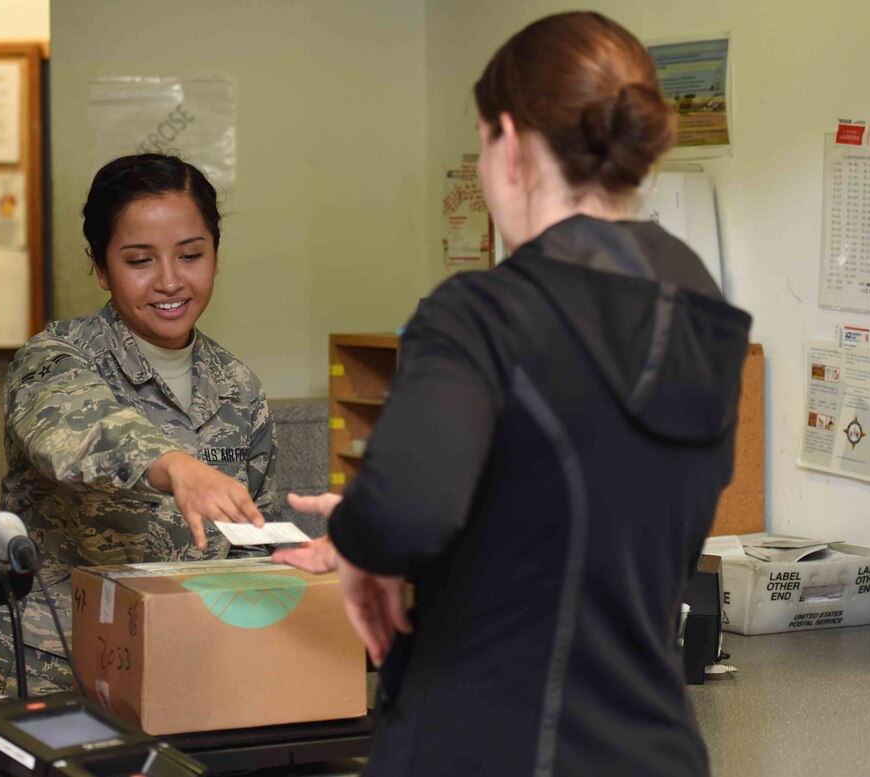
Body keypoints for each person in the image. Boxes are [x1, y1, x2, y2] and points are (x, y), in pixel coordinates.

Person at [273, 12, 751, 776]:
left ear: (507, 141)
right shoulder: (708, 323)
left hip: (491, 746)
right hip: (654, 749)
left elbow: (405, 511)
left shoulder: (481, 313)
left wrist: (364, 537)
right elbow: (579, 515)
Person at [0, 153, 277, 695]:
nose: (170, 281)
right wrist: (173, 466)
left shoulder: (238, 386)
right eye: (139, 260)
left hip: (184, 669)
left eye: (191, 254)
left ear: (215, 257)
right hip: (46, 671)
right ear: (101, 268)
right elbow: (74, 428)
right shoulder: (54, 357)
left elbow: (256, 537)